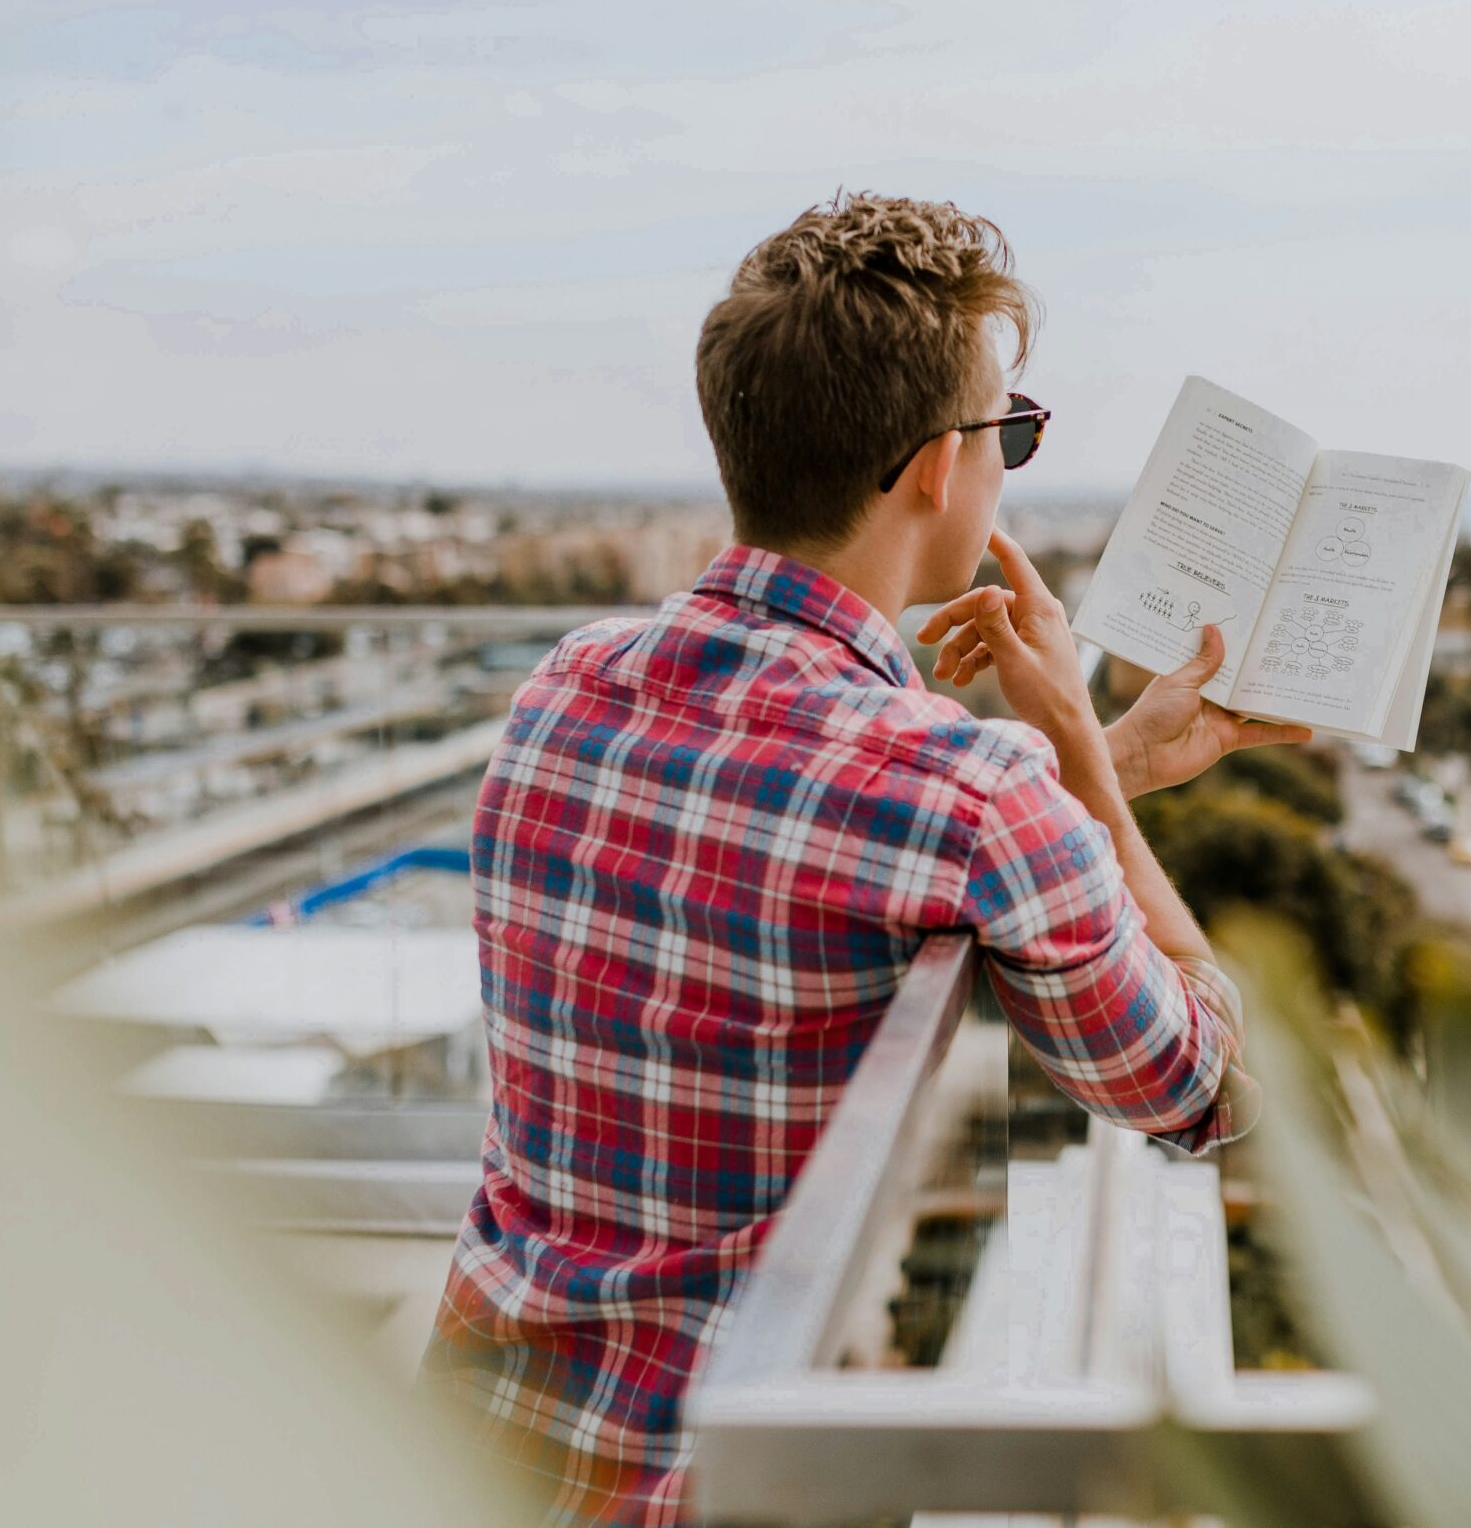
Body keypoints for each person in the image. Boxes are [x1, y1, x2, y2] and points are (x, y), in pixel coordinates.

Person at [423, 193, 1308, 1526]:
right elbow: (1205, 1083)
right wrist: (1070, 737)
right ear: (936, 469)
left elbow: (779, 836)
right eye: (1011, 430)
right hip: (722, 1489)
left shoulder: (567, 690)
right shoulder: (964, 793)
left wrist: (1097, 766)